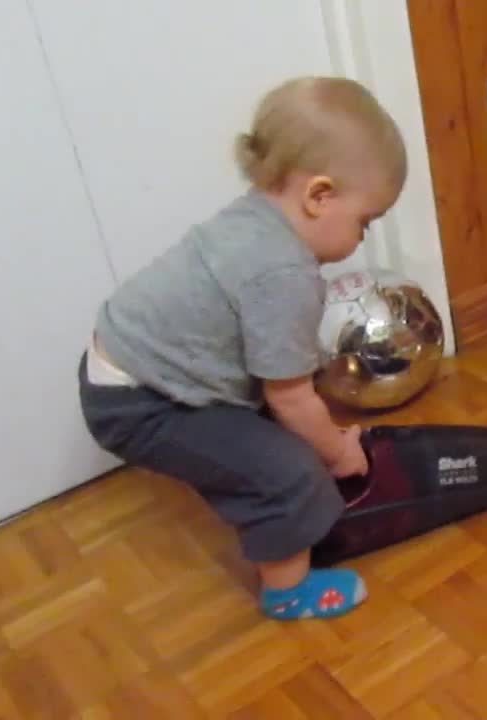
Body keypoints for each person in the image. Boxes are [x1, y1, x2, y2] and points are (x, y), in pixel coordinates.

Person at [76, 76, 406, 620]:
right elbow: (291, 398)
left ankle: (289, 516)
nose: (361, 239)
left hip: (124, 368)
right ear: (319, 196)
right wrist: (338, 451)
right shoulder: (283, 272)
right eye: (364, 223)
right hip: (140, 404)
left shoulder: (255, 216)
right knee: (290, 471)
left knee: (274, 439)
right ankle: (288, 591)